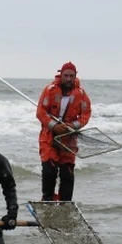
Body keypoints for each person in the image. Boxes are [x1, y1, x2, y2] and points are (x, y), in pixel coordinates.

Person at [36, 61, 92, 201]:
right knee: (49, 171)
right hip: (49, 137)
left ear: (75, 76)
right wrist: (54, 126)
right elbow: (40, 112)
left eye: (71, 76)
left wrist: (73, 126)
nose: (68, 79)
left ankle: (65, 203)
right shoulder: (50, 90)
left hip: (69, 138)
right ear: (61, 75)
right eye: (66, 75)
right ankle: (47, 200)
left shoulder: (81, 94)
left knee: (67, 174)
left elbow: (86, 114)